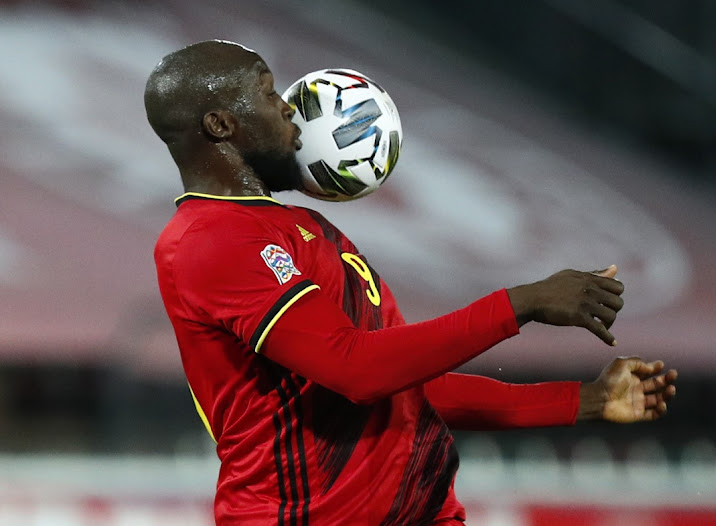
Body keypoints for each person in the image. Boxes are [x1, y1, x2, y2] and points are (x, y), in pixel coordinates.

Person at [146, 40, 677, 526]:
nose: (288, 106)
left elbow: (409, 391)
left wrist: (585, 400)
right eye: (267, 93)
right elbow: (355, 369)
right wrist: (523, 303)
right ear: (221, 126)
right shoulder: (208, 240)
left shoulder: (304, 228)